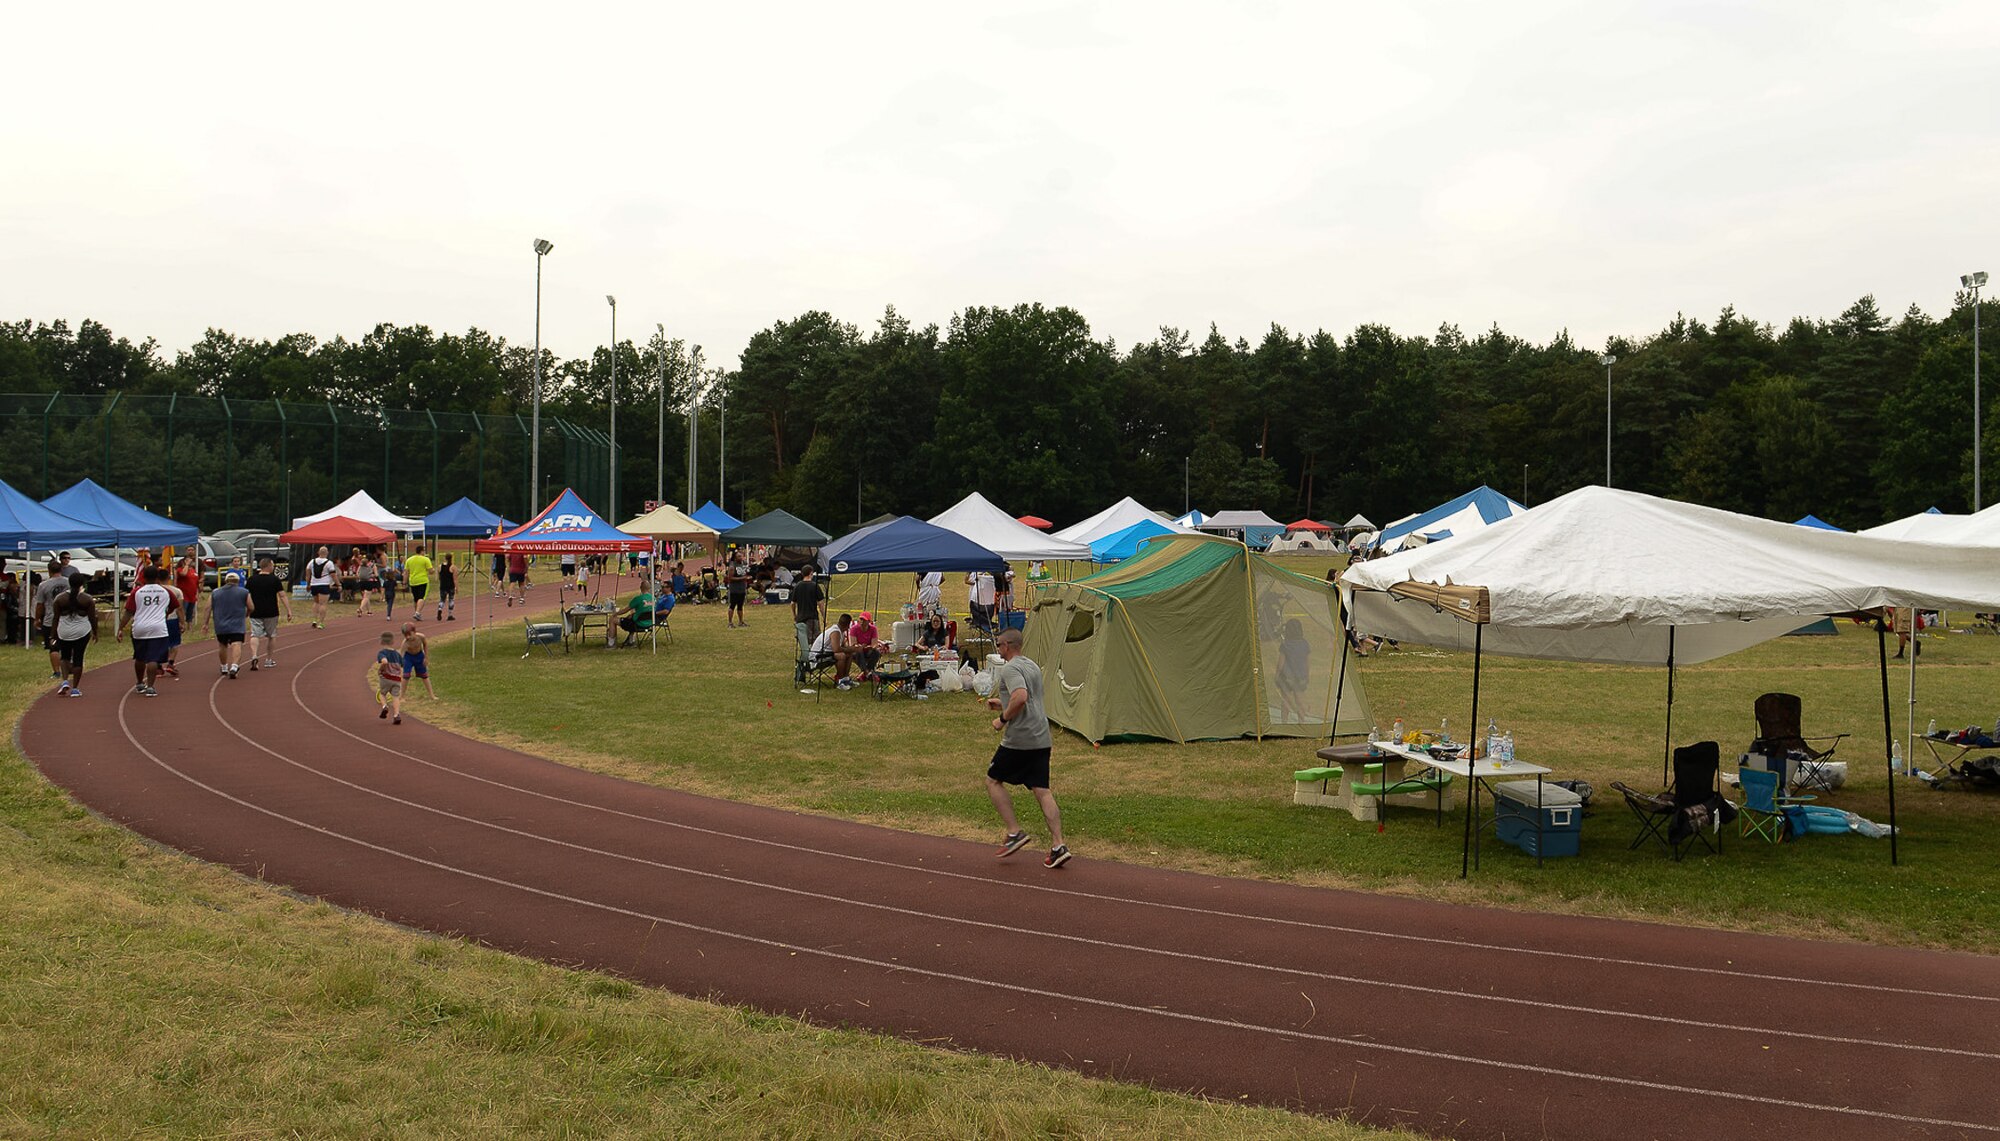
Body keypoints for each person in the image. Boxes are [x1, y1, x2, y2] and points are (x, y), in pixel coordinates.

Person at [984, 627, 1068, 869]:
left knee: (992, 780)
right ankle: (1058, 845)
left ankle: (1014, 832)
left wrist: (1002, 718)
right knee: (1042, 789)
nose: (998, 649)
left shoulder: (1010, 669)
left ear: (1008, 645)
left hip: (1021, 739)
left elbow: (1020, 697)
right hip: (1041, 737)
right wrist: (1002, 702)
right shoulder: (1031, 665)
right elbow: (1028, 698)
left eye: (999, 645)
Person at [118, 565, 174, 697]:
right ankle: (150, 686)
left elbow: (128, 612)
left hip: (139, 628)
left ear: (143, 577)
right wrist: (165, 613)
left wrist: (120, 628)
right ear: (157, 577)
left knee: (139, 657)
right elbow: (175, 605)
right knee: (153, 659)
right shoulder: (165, 591)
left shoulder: (137, 592)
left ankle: (139, 683)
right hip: (158, 628)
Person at [51, 574, 99, 697]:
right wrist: (95, 632)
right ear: (82, 584)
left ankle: (65, 681)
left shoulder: (59, 599)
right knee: (78, 659)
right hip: (82, 632)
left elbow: (55, 618)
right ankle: (75, 688)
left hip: (64, 632)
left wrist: (53, 635)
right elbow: (92, 618)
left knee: (64, 657)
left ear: (69, 583)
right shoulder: (87, 599)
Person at [244, 556, 292, 670]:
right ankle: (269, 659)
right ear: (269, 566)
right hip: (271, 611)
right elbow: (282, 595)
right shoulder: (274, 580)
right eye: (273, 565)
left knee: (255, 634)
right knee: (271, 635)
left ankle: (254, 655)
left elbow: (247, 595)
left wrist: (246, 609)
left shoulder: (251, 579)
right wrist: (288, 610)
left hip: (255, 611)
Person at [206, 570, 251, 678]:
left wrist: (205, 623)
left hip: (220, 624)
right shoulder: (244, 592)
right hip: (237, 624)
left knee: (222, 645)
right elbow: (251, 606)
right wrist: (247, 613)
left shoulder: (215, 592)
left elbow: (208, 607)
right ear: (237, 581)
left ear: (225, 581)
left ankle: (224, 666)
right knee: (237, 644)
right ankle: (234, 666)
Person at [34, 558, 69, 682]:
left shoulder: (43, 585)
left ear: (49, 571)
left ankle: (56, 671)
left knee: (53, 646)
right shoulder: (68, 582)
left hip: (50, 619)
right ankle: (70, 666)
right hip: (68, 618)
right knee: (68, 644)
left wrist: (37, 618)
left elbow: (40, 604)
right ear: (61, 569)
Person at [1274, 618, 1311, 723]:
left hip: (1287, 677)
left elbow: (1280, 663)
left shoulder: (1285, 645)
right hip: (1301, 677)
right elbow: (1307, 662)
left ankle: (1284, 721)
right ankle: (1301, 720)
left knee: (1285, 699)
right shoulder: (1305, 644)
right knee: (1299, 700)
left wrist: (1277, 675)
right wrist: (1307, 675)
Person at [811, 613, 855, 689]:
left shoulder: (840, 631)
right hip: (818, 656)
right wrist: (849, 649)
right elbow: (836, 649)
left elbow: (843, 646)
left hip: (827, 654)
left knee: (849, 654)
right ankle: (840, 681)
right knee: (841, 656)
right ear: (847, 625)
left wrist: (851, 649)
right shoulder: (835, 632)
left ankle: (845, 678)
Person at [374, 630, 405, 724]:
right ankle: (396, 715)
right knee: (395, 696)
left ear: (381, 642)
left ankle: (384, 706)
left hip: (386, 677)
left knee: (382, 694)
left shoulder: (382, 653)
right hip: (396, 679)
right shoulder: (398, 654)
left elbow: (384, 661)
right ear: (393, 642)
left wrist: (381, 669)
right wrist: (401, 676)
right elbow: (402, 666)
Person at [304, 545, 338, 628]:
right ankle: (321, 623)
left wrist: (308, 584)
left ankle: (314, 620)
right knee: (323, 604)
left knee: (316, 602)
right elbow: (333, 575)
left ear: (318, 552)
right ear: (327, 553)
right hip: (324, 585)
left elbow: (308, 574)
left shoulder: (312, 562)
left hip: (314, 585)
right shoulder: (329, 563)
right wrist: (338, 584)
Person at [400, 621, 436, 699]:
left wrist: (426, 657)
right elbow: (401, 655)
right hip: (408, 657)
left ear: (414, 632)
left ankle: (432, 695)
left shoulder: (421, 637)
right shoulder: (405, 643)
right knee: (406, 676)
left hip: (419, 656)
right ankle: (402, 696)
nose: (408, 637)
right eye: (405, 635)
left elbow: (425, 644)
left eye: (409, 634)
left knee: (424, 676)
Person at [791, 565, 825, 640]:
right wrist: (824, 617)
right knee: (815, 640)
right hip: (812, 618)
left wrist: (795, 615)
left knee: (803, 641)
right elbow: (821, 604)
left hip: (800, 618)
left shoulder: (798, 586)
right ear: (811, 573)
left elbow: (793, 603)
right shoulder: (815, 586)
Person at [847, 610, 884, 675]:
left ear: (869, 622)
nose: (862, 621)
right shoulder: (854, 629)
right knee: (859, 651)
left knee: (876, 653)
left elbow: (874, 644)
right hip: (857, 650)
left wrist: (871, 647)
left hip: (868, 650)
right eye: (861, 619)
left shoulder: (873, 629)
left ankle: (868, 670)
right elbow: (852, 644)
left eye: (864, 620)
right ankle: (866, 672)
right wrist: (860, 646)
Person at [725, 553, 750, 627]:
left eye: (741, 556)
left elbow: (744, 574)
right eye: (739, 556)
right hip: (734, 589)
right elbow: (730, 578)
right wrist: (742, 578)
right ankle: (730, 623)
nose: (741, 557)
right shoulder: (732, 566)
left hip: (742, 588)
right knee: (732, 606)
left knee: (740, 606)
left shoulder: (742, 565)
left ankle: (741, 622)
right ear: (735, 558)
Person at [435, 553, 457, 620]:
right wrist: (456, 587)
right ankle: (450, 615)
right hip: (450, 586)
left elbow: (439, 576)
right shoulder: (453, 567)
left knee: (442, 599)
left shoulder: (440, 566)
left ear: (445, 558)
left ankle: (440, 609)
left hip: (443, 585)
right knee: (451, 599)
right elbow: (455, 579)